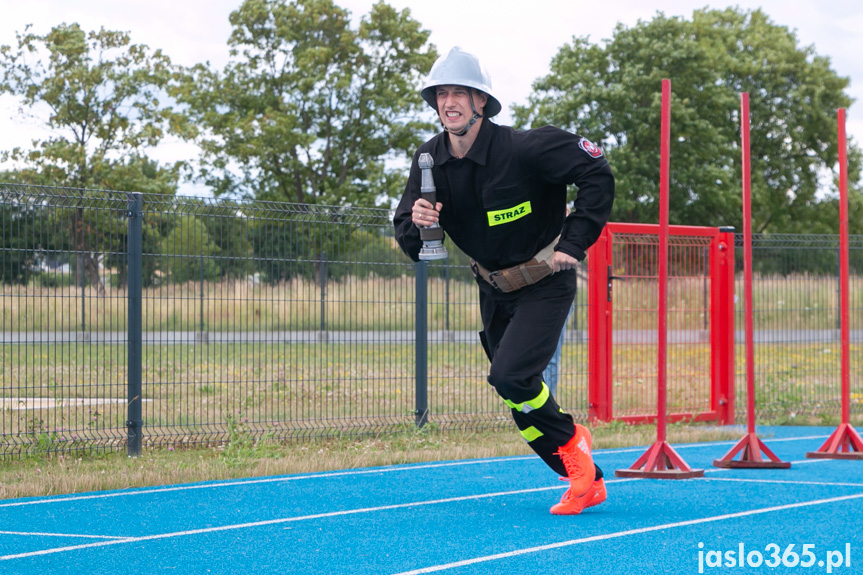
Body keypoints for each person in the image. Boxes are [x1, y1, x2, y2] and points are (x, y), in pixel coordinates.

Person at [393, 46, 615, 515]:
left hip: (545, 282)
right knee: (517, 396)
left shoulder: (526, 148)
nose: (448, 101)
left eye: (459, 92)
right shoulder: (428, 160)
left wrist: (573, 244)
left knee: (510, 375)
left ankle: (576, 450)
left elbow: (596, 171)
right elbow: (409, 236)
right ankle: (585, 477)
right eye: (440, 94)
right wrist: (417, 221)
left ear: (481, 102)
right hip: (492, 289)